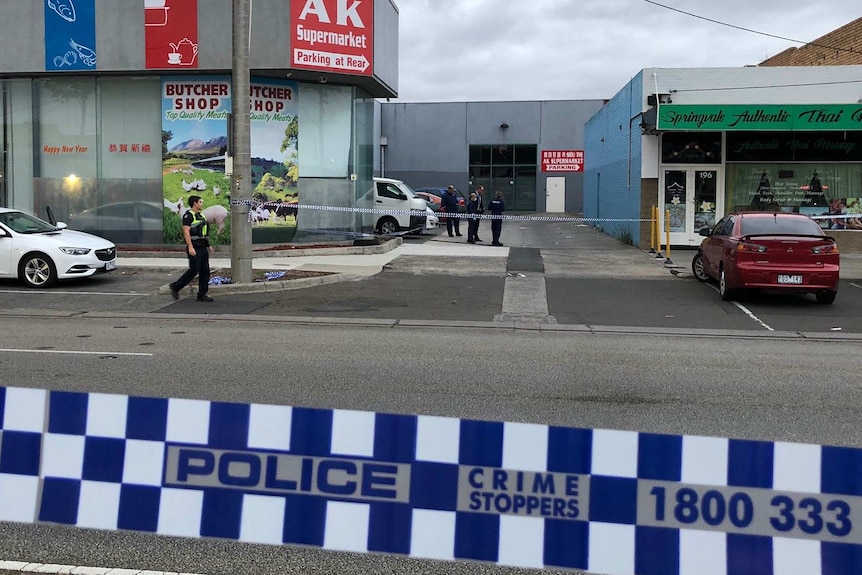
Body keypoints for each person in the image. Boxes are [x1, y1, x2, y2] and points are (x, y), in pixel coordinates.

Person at [169, 195, 214, 302]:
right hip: (194, 246)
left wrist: (209, 246)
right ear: (195, 203)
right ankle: (175, 287)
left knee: (205, 271)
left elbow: (203, 233)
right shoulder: (188, 216)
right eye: (200, 202)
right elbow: (186, 232)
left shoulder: (201, 215)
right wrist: (190, 247)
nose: (201, 204)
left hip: (202, 246)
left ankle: (202, 294)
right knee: (194, 270)